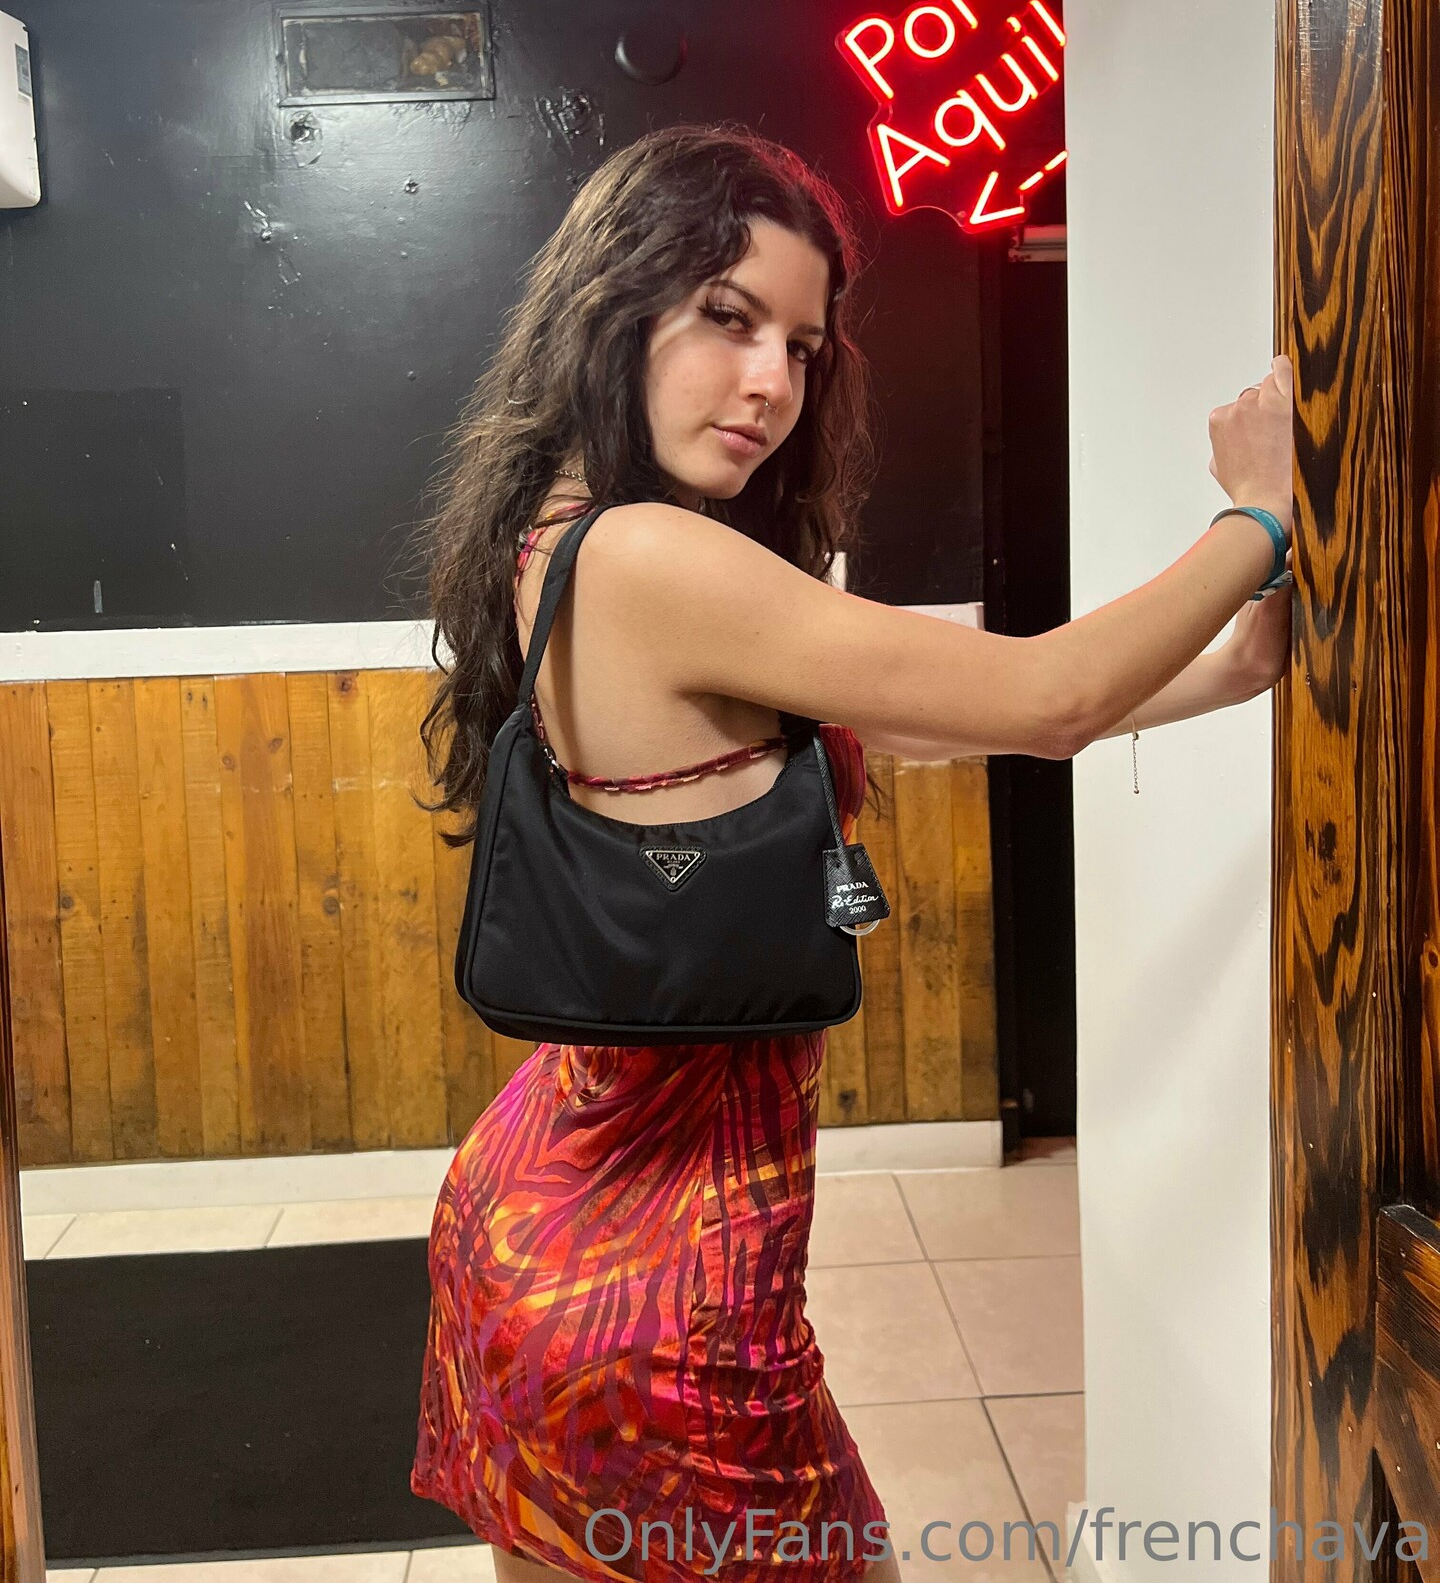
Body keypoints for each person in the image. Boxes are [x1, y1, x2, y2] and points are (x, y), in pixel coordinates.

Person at [407, 123, 1293, 1583]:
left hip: (558, 1232)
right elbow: (1049, 693)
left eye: (804, 347)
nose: (771, 381)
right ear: (613, 305)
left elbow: (973, 726)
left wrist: (1234, 669)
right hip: (662, 1290)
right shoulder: (649, 557)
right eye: (727, 317)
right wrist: (1256, 512)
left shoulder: (565, 547)